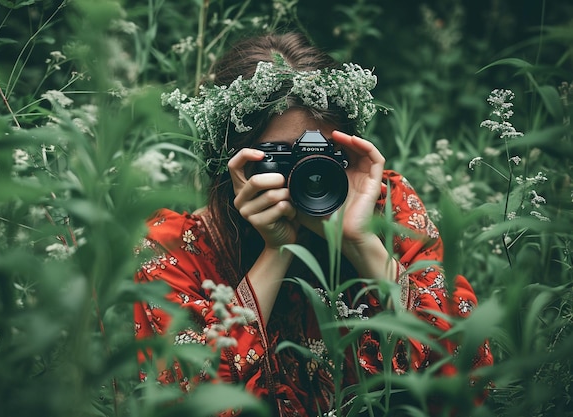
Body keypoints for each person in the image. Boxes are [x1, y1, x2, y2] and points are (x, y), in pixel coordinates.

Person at [134, 32, 493, 416]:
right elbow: (189, 404)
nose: (307, 174)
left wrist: (360, 242)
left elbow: (469, 379)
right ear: (230, 162)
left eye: (322, 154)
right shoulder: (174, 251)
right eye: (281, 157)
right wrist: (275, 250)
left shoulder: (386, 208)